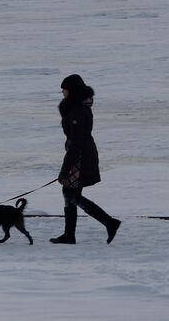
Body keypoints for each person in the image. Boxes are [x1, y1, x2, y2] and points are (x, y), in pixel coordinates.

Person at [50, 73, 121, 244]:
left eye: (64, 90)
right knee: (69, 192)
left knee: (71, 194)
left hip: (80, 157)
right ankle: (70, 234)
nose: (62, 93)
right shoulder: (77, 108)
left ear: (72, 90)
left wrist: (65, 169)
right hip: (81, 154)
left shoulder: (78, 111)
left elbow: (76, 143)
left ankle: (109, 222)